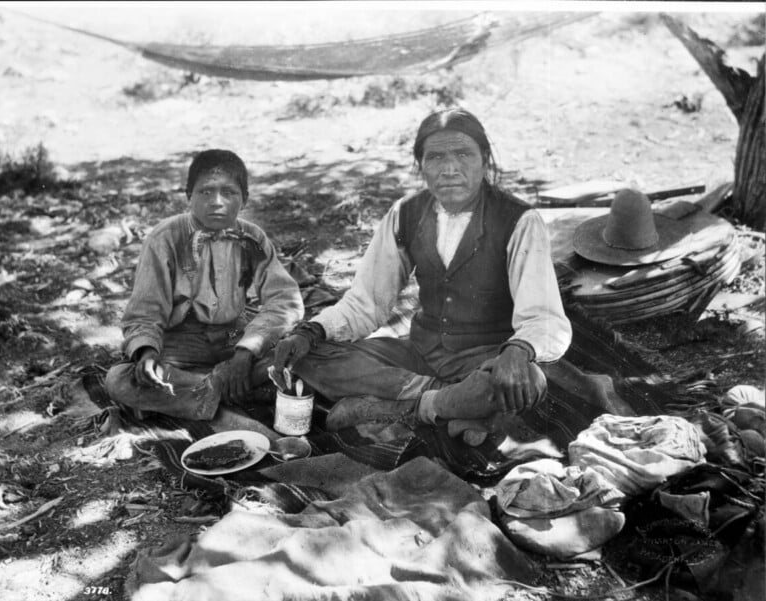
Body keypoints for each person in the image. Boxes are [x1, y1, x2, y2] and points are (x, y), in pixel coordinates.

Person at [272, 108, 572, 445]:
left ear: (485, 160)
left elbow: (545, 317)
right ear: (421, 166)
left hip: (484, 360)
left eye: (463, 154)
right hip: (419, 354)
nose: (450, 169)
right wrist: (311, 331)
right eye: (436, 157)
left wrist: (518, 351)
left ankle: (405, 407)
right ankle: (449, 404)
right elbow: (367, 303)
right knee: (310, 354)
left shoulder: (519, 221)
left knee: (529, 380)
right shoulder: (406, 213)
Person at [105, 149, 303, 424]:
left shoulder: (252, 238)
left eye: (229, 193)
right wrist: (147, 353)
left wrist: (246, 351)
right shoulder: (165, 238)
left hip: (234, 338)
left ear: (244, 199)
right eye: (206, 192)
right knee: (119, 379)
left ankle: (194, 393)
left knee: (298, 353)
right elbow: (144, 312)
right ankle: (226, 387)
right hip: (179, 347)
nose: (217, 202)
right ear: (189, 196)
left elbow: (284, 300)